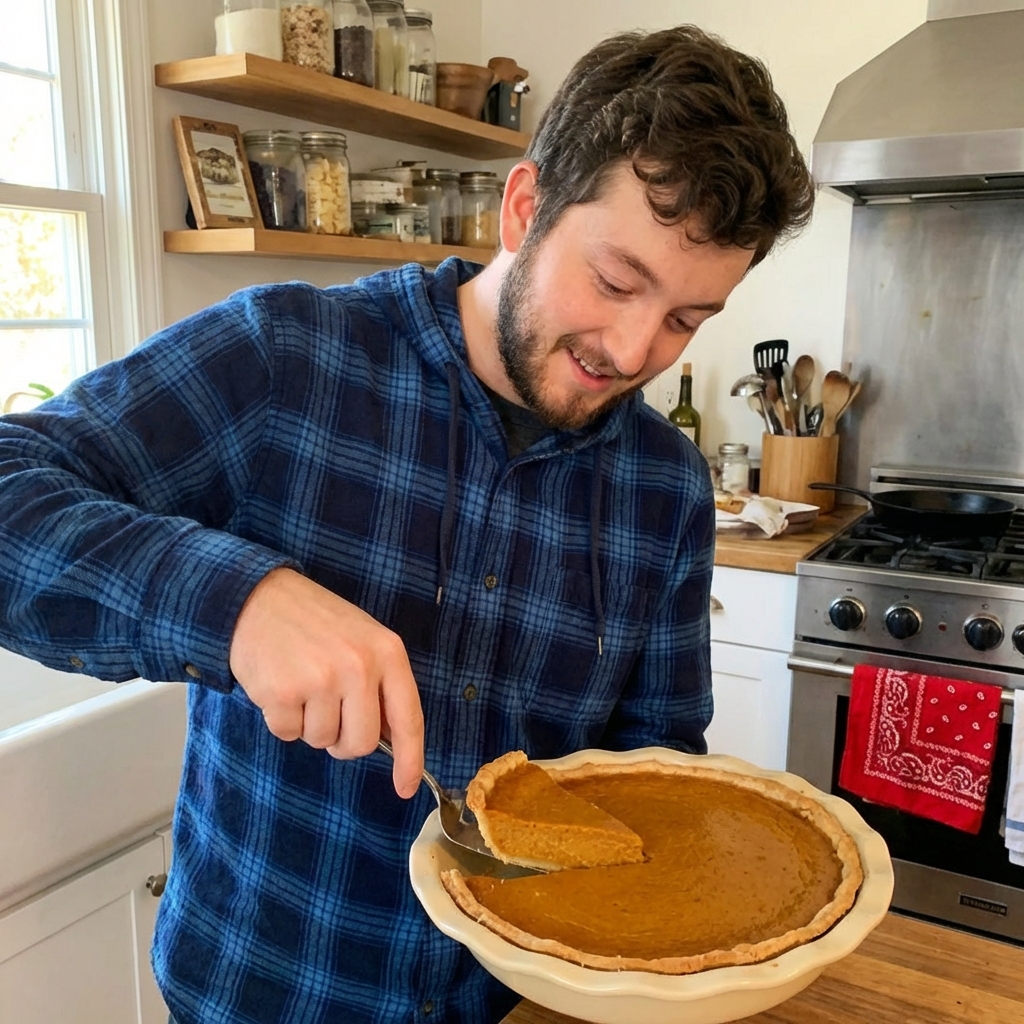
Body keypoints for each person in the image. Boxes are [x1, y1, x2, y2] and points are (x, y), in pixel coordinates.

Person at [0, 24, 813, 1024]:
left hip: (513, 1007)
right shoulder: (286, 358)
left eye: (687, 318)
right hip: (262, 996)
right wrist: (240, 603)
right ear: (525, 207)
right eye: (614, 281)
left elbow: (653, 768)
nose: (636, 348)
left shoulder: (667, 488)